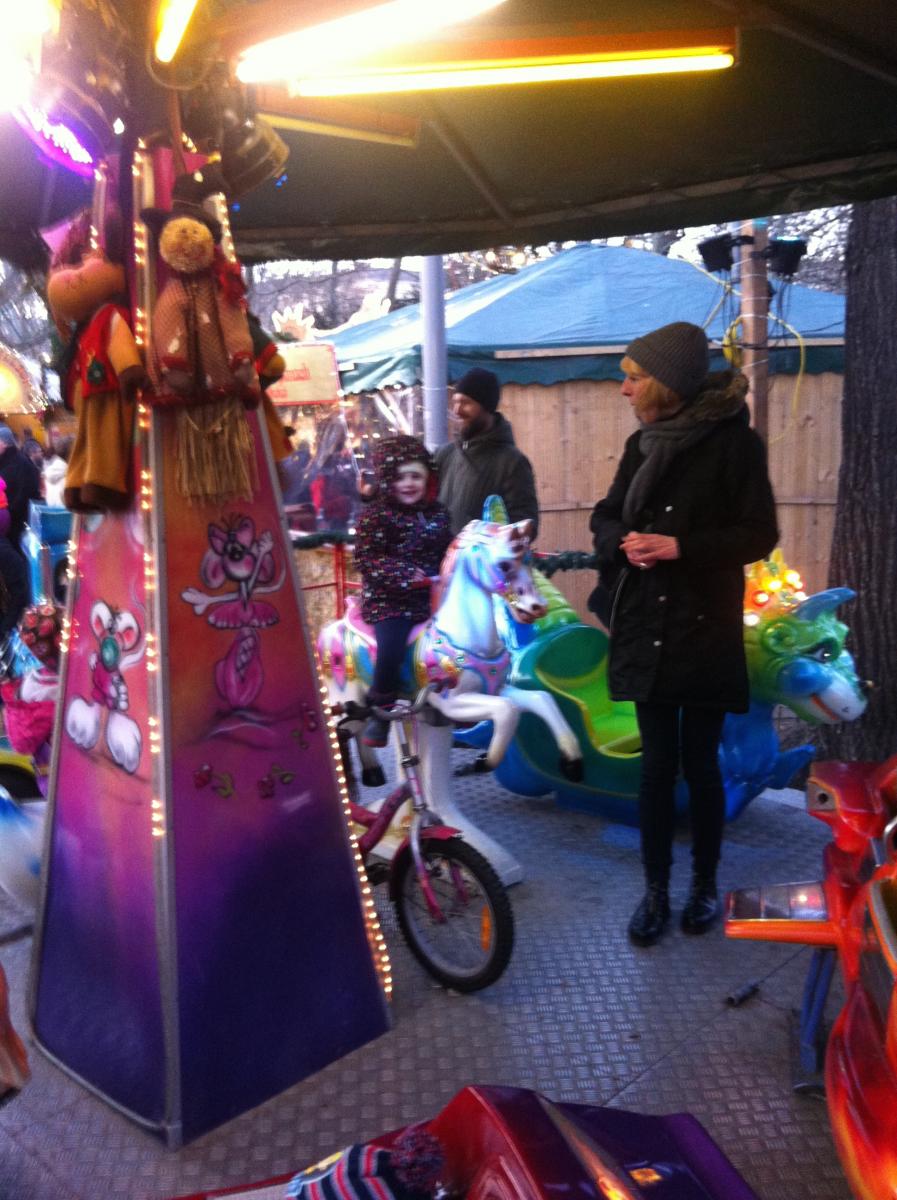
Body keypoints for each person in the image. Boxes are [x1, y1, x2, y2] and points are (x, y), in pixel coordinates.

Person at [590, 322, 778, 948]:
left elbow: (759, 533)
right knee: (655, 768)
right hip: (646, 626)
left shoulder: (735, 446)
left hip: (701, 631)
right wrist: (623, 543)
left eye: (634, 377)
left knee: (700, 766)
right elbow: (605, 515)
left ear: (666, 383)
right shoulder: (641, 444)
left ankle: (702, 885)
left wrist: (681, 547)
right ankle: (655, 892)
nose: (624, 389)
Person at [353, 434, 452, 748]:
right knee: (392, 646)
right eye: (400, 478)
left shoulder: (438, 513)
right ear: (387, 482)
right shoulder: (376, 516)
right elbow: (367, 558)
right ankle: (380, 708)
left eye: (415, 477)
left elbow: (447, 547)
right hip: (391, 600)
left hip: (433, 596)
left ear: (428, 479)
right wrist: (404, 573)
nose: (409, 484)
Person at [435, 367, 539, 536]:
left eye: (466, 403)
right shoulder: (443, 455)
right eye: (455, 402)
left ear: (487, 407)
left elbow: (526, 524)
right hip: (440, 553)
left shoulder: (512, 463)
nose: (456, 410)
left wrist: (492, 539)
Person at [0, 427, 41, 550]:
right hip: (11, 517)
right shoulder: (9, 461)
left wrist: (9, 511)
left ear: (5, 443)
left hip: (17, 520)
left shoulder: (18, 462)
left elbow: (24, 493)